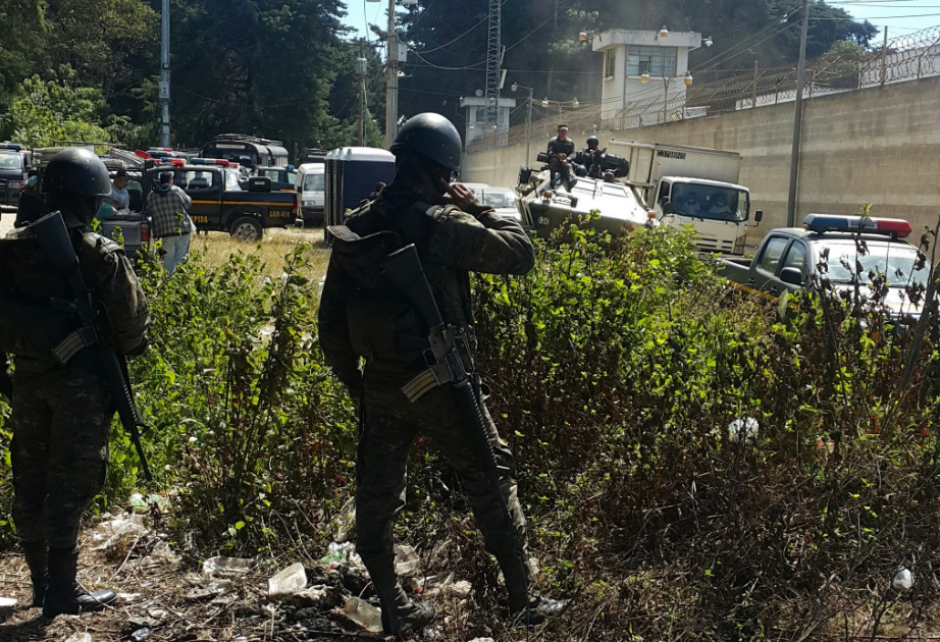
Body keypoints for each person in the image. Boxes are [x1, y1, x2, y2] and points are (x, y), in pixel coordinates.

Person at [318, 113, 564, 638]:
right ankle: (523, 598)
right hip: (441, 380)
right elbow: (520, 254)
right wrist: (476, 205)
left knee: (377, 495)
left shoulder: (358, 224)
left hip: (382, 383)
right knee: (491, 476)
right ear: (442, 170)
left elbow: (331, 323)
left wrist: (358, 387)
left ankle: (393, 606)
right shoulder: (440, 222)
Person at [0, 147, 149, 618]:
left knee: (29, 474)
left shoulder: (11, 248)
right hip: (79, 385)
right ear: (90, 198)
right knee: (71, 481)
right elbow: (132, 325)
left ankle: (42, 584)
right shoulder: (95, 253)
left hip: (26, 378)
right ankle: (63, 592)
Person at [145, 171, 194, 275]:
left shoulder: (151, 195)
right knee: (181, 256)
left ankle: (169, 282)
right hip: (183, 229)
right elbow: (188, 203)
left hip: (165, 232)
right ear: (170, 180)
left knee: (168, 259)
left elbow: (148, 212)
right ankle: (179, 280)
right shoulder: (176, 190)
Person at [546, 124, 575, 189]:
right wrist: (557, 156)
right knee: (554, 161)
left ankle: (570, 184)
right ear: (558, 131)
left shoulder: (570, 142)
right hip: (555, 161)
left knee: (569, 166)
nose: (563, 133)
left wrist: (567, 159)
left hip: (565, 162)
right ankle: (552, 181)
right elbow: (549, 152)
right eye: (562, 131)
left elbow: (573, 153)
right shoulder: (553, 141)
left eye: (565, 131)